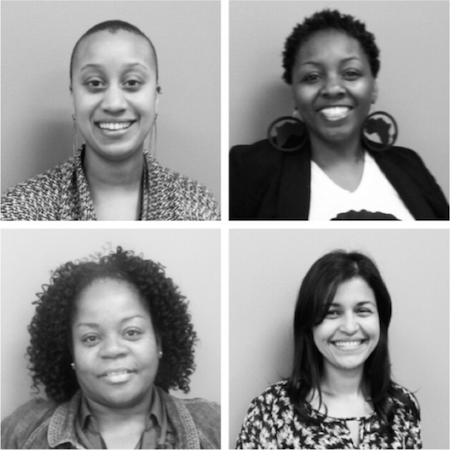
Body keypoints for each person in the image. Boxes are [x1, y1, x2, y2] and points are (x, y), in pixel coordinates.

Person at [229, 9, 448, 220]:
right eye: (312, 77)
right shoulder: (249, 167)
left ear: (373, 88)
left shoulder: (409, 165)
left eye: (350, 73)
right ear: (294, 94)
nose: (333, 88)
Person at [1, 247, 220, 449]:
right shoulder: (23, 432)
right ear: (71, 352)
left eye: (131, 332)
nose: (113, 350)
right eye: (91, 338)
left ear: (158, 342)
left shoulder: (213, 426)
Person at [1, 20, 219, 221]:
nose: (114, 104)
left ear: (155, 97)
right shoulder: (21, 209)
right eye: (95, 83)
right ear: (73, 97)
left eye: (132, 82)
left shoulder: (197, 206)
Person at [236, 250, 421, 449]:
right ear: (309, 324)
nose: (349, 327)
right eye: (332, 313)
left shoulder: (402, 407)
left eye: (363, 311)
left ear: (380, 321)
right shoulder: (271, 409)